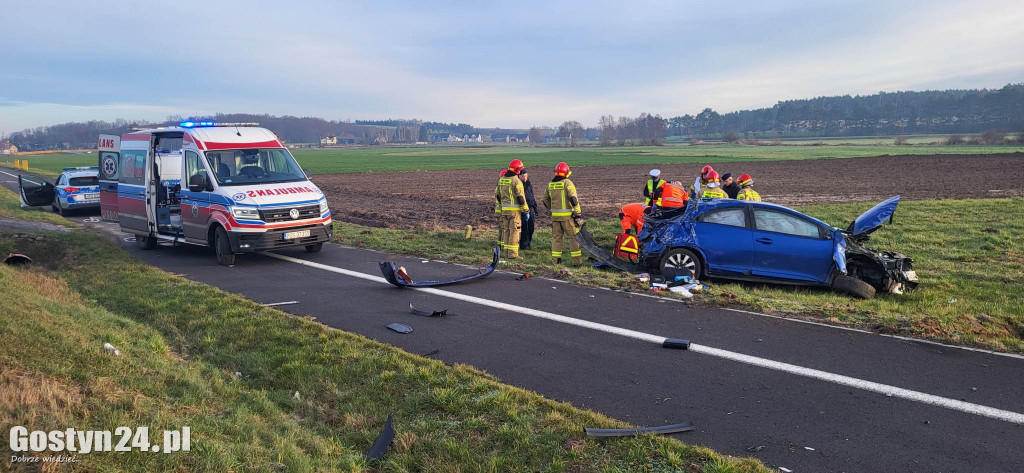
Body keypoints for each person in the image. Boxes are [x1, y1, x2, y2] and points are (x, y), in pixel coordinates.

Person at [541, 162, 583, 265]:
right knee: (574, 238)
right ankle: (576, 262)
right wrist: (578, 212)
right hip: (567, 217)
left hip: (555, 217)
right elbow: (573, 199)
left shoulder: (550, 184)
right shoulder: (567, 183)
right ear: (566, 172)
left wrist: (552, 209)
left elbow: (545, 200)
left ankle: (556, 261)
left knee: (557, 238)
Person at [494, 159, 529, 258]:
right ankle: (513, 254)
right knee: (514, 231)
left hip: (504, 211)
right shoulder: (516, 181)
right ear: (518, 170)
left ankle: (506, 252)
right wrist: (526, 211)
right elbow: (521, 198)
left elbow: (498, 196)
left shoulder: (502, 180)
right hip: (514, 212)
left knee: (506, 231)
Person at [518, 169, 538, 249]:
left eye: (526, 176)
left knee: (531, 227)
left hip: (530, 208)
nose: (525, 178)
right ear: (519, 176)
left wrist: (535, 207)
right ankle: (523, 245)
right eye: (523, 176)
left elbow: (532, 197)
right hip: (522, 210)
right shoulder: (518, 185)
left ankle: (528, 243)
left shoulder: (529, 184)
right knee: (524, 228)